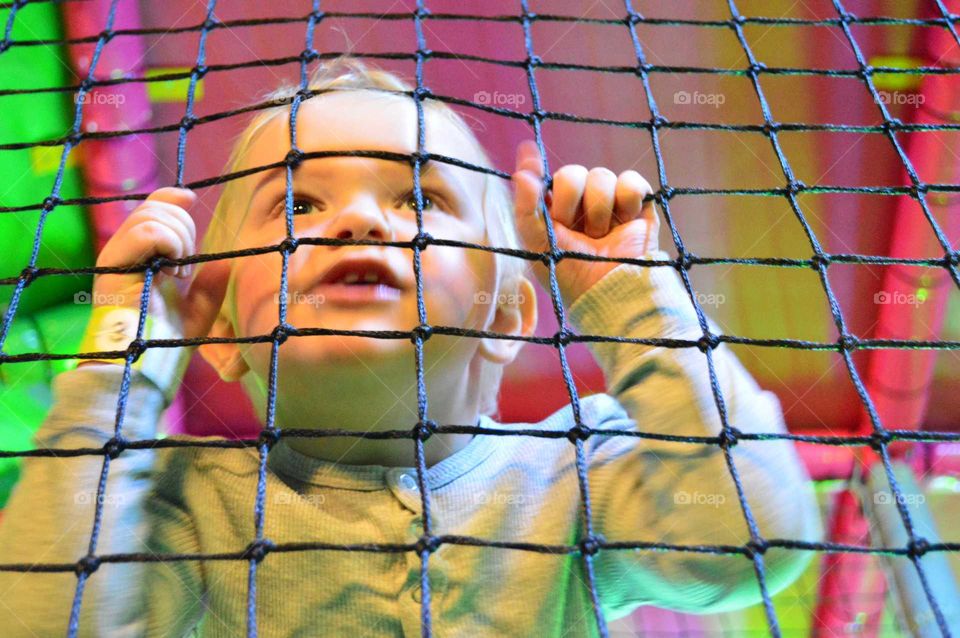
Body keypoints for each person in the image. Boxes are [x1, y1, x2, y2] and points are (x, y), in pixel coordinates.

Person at [0, 58, 821, 637]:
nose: (358, 221)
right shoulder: (182, 504)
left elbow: (755, 541)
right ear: (217, 329)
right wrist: (122, 356)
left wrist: (630, 292)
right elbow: (41, 619)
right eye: (297, 205)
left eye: (420, 198)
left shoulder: (577, 475)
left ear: (504, 317)